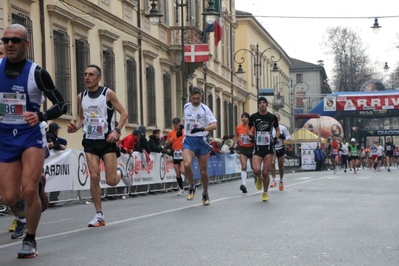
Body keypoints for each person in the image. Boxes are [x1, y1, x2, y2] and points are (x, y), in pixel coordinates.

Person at [0, 24, 67, 258]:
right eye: (6, 39)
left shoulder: (37, 73)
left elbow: (62, 104)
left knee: (28, 191)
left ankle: (30, 239)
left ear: (26, 44)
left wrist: (41, 115)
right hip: (5, 136)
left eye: (15, 40)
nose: (10, 44)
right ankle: (36, 188)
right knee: (8, 196)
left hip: (30, 136)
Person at [67, 64, 131, 227]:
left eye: (91, 75)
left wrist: (116, 131)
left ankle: (119, 171)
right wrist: (76, 126)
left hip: (107, 140)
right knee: (94, 176)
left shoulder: (107, 94)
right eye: (85, 74)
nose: (87, 77)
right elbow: (81, 118)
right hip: (90, 140)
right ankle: (99, 215)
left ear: (98, 78)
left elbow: (124, 113)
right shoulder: (81, 96)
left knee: (111, 181)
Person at [182, 86, 217, 205]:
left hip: (201, 140)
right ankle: (192, 186)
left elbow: (214, 125)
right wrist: (181, 127)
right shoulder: (186, 107)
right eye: (194, 98)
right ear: (190, 97)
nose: (196, 101)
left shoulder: (205, 109)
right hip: (189, 140)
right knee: (186, 165)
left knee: (203, 171)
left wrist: (202, 128)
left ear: (201, 97)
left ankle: (205, 192)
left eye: (198, 98)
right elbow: (185, 119)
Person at [247, 97, 280, 202]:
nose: (262, 104)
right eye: (260, 103)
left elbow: (277, 129)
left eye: (264, 103)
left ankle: (265, 193)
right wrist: (251, 136)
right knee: (256, 170)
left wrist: (276, 138)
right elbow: (247, 129)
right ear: (258, 105)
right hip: (257, 147)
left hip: (268, 148)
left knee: (266, 172)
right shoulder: (253, 117)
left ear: (266, 104)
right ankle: (259, 178)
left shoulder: (272, 117)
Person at [233, 112, 254, 193]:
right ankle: (244, 185)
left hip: (252, 148)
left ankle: (256, 177)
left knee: (254, 168)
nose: (243, 119)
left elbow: (255, 136)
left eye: (245, 117)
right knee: (244, 166)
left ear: (248, 119)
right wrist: (235, 143)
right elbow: (237, 136)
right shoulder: (238, 127)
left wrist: (252, 138)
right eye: (242, 117)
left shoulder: (252, 127)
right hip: (242, 148)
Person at [270, 113, 291, 190]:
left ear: (279, 119)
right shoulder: (270, 128)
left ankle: (281, 180)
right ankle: (274, 179)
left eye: (276, 118)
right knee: (272, 163)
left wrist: (284, 137)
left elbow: (289, 137)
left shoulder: (283, 128)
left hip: (281, 147)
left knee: (280, 165)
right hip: (273, 148)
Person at [165, 118, 186, 195]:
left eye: (176, 123)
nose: (175, 125)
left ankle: (191, 183)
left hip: (182, 152)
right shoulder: (171, 133)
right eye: (174, 123)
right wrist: (169, 141)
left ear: (179, 124)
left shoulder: (183, 132)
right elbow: (166, 143)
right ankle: (181, 188)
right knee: (177, 173)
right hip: (175, 153)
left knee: (183, 171)